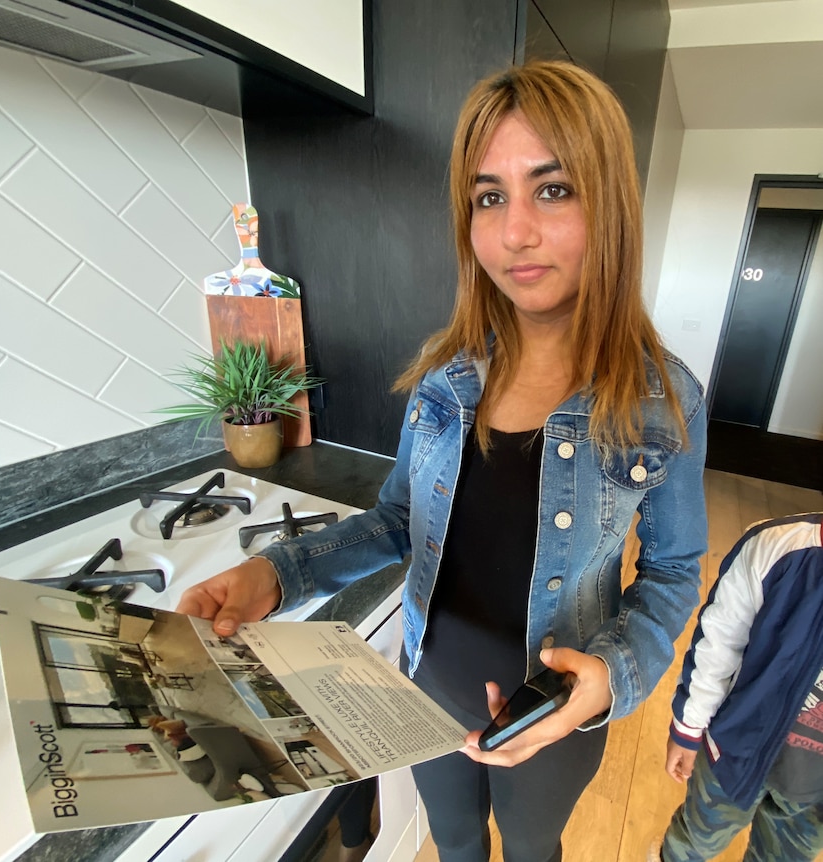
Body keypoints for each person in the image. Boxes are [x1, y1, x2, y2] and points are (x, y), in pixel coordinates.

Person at [177, 60, 708, 862]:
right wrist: (277, 575)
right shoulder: (446, 377)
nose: (513, 232)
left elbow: (671, 572)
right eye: (489, 196)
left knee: (531, 849)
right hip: (425, 685)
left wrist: (608, 678)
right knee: (455, 844)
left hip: (549, 709)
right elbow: (398, 520)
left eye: (553, 189)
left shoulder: (661, 402)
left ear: (612, 206)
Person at [652, 512, 823, 862]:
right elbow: (717, 644)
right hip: (732, 754)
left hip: (813, 792)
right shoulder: (777, 546)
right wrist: (688, 727)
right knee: (697, 839)